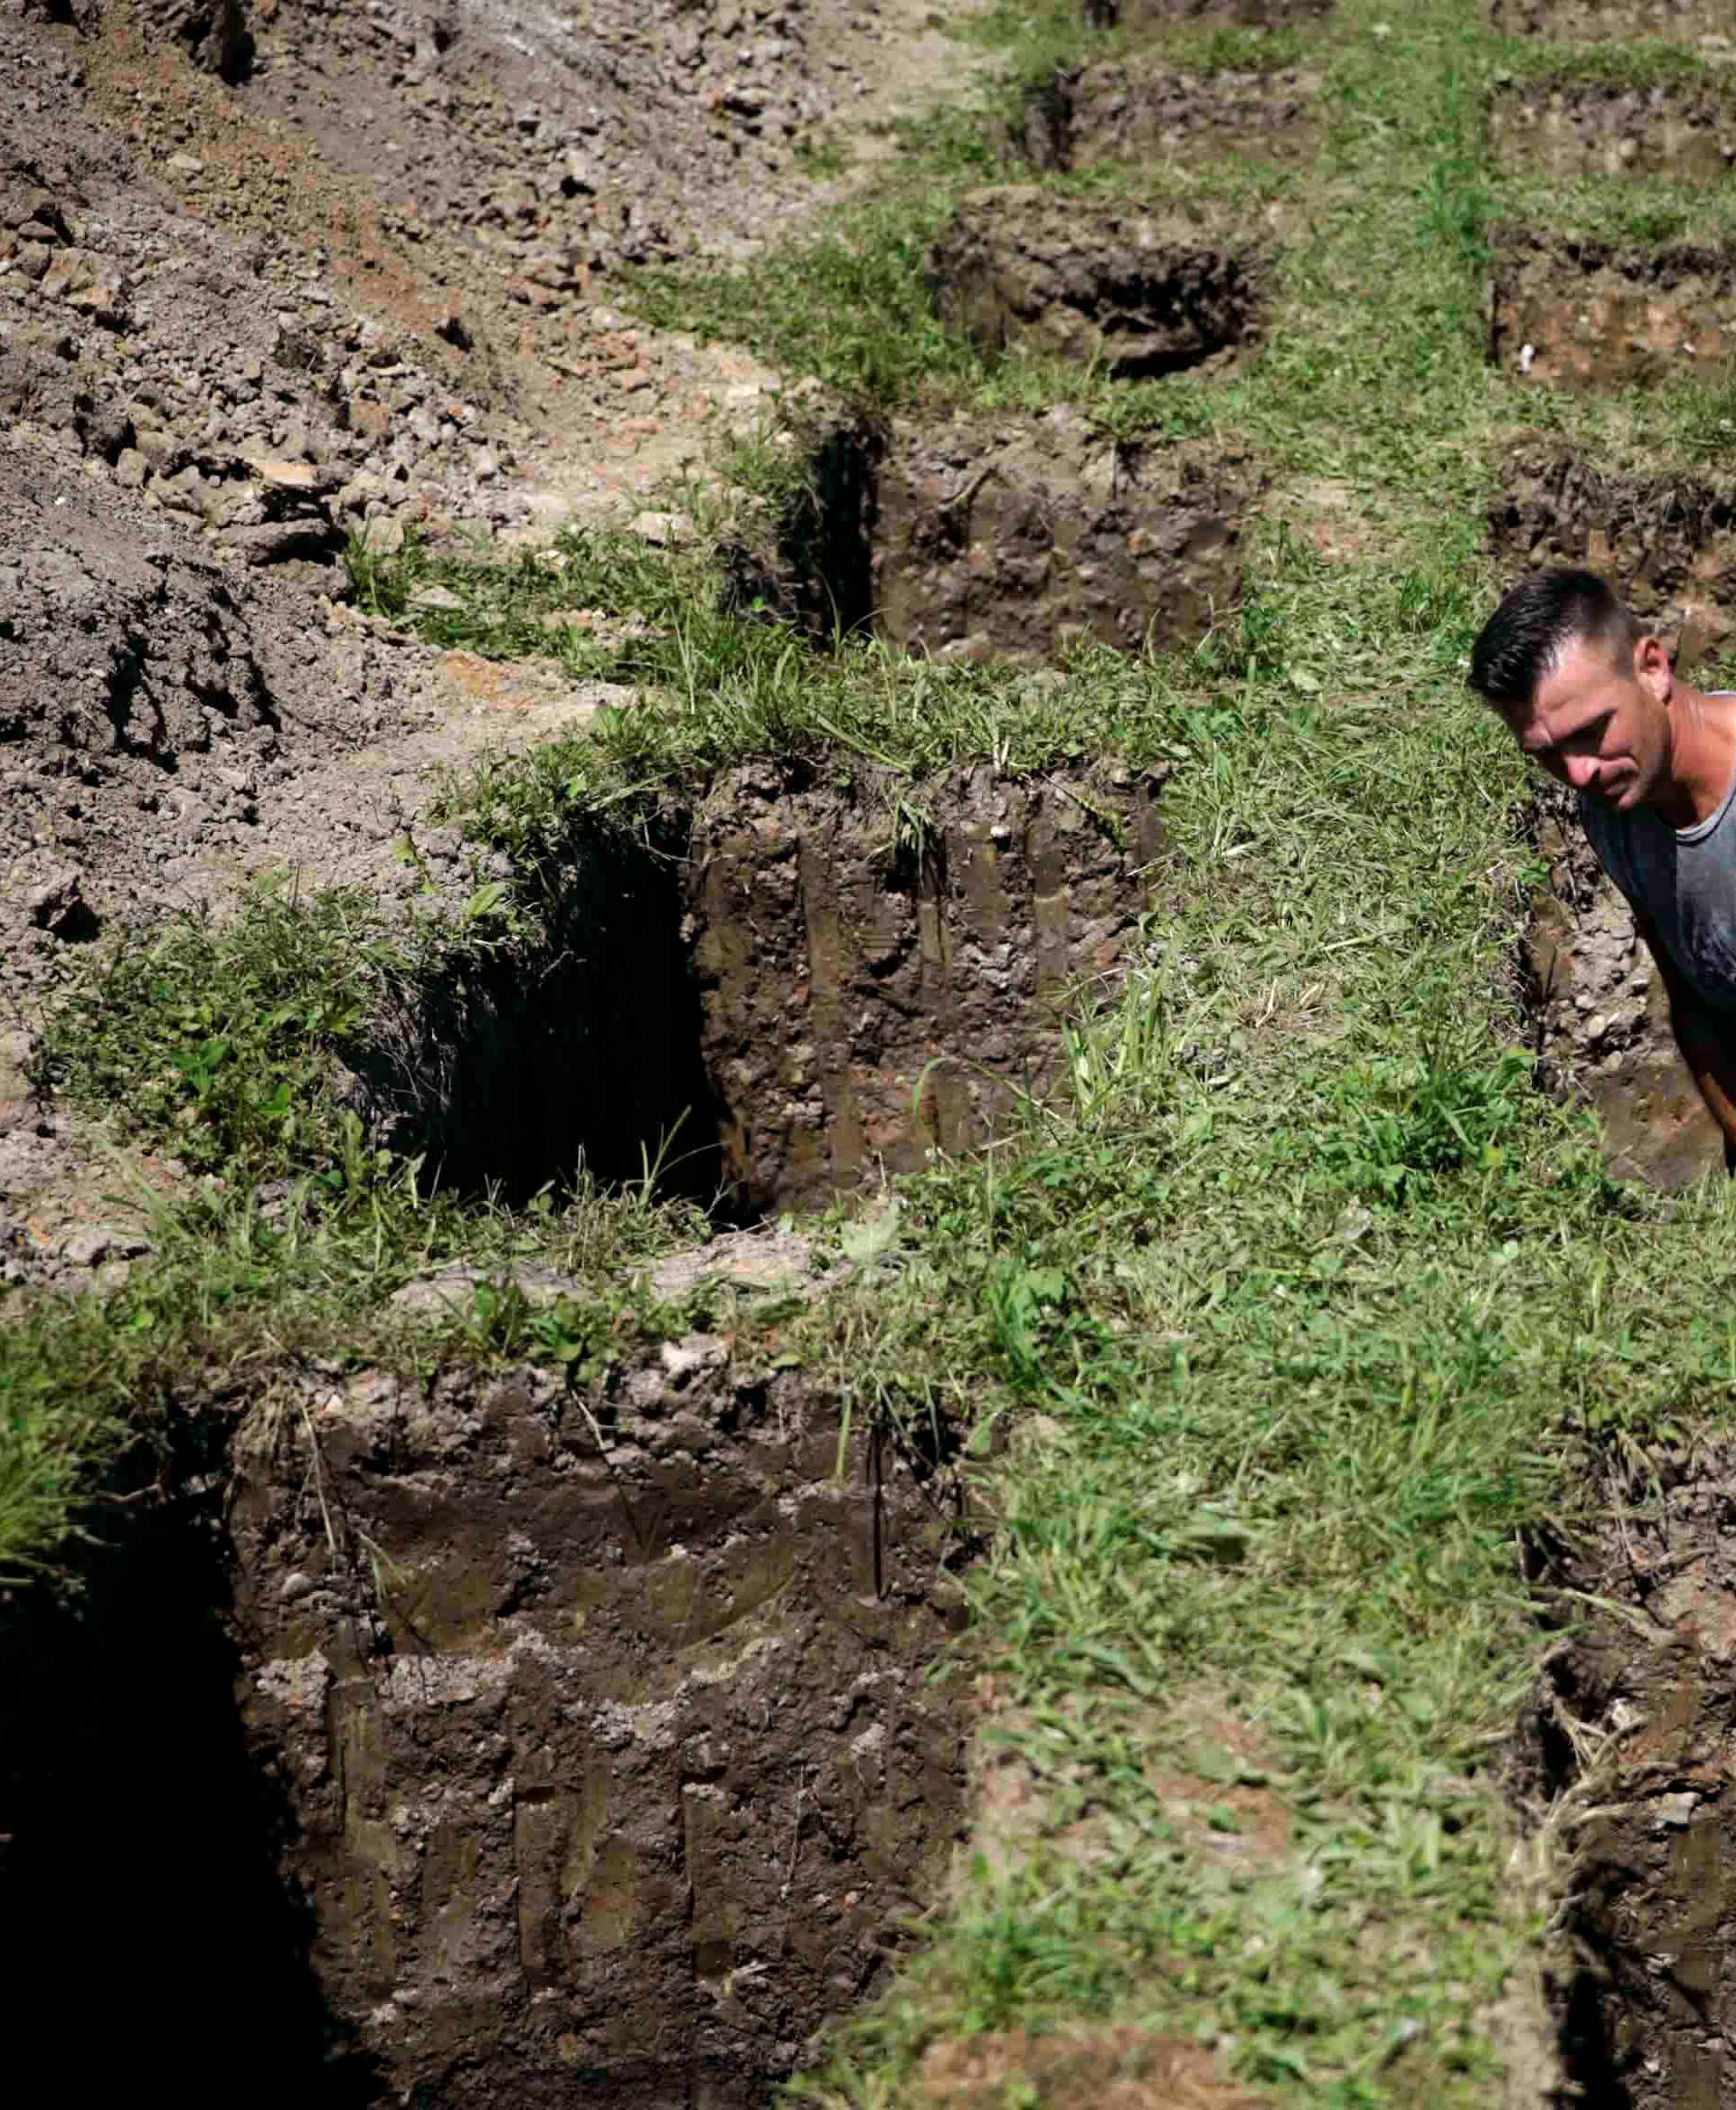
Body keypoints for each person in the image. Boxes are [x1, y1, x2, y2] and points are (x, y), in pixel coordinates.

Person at [1468, 568, 1736, 1158]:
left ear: (1653, 668)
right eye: (1548, 753)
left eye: (1591, 731)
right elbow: (1691, 993)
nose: (1579, 772)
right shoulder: (1615, 816)